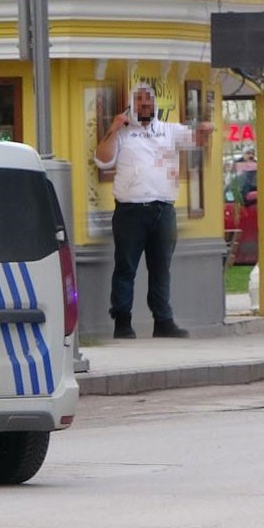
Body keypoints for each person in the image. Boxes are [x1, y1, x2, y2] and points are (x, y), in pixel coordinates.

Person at [94, 82, 212, 339]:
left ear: (155, 105)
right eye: (139, 100)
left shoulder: (169, 130)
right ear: (131, 104)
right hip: (130, 210)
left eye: (148, 100)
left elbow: (196, 141)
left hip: (163, 208)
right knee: (125, 267)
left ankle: (163, 321)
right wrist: (113, 128)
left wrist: (205, 131)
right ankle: (122, 322)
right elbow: (102, 159)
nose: (144, 104)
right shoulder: (122, 134)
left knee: (161, 268)